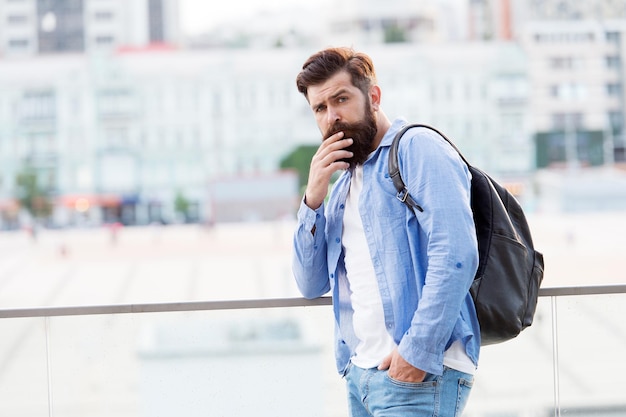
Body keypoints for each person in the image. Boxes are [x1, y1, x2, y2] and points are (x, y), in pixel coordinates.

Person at [292, 47, 481, 416]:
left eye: (341, 99)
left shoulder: (417, 148)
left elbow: (457, 254)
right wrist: (313, 198)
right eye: (320, 108)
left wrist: (416, 354)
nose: (332, 117)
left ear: (373, 97)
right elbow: (309, 283)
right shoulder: (342, 186)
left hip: (419, 373)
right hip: (361, 374)